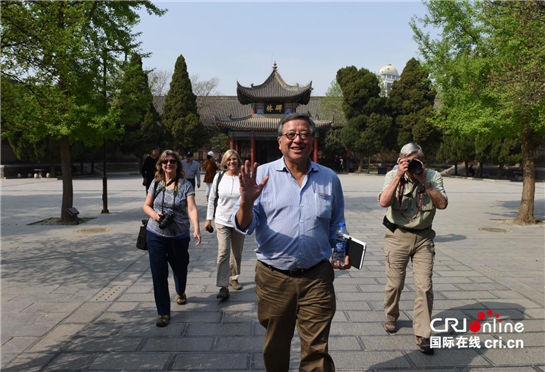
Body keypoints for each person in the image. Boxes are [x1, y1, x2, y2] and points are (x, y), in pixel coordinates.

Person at [233, 113, 349, 372]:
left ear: (312, 140)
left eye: (304, 134)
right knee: (276, 345)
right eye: (291, 135)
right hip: (274, 278)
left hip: (317, 276)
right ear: (279, 141)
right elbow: (243, 225)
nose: (298, 140)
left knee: (317, 349)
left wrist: (341, 251)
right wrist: (246, 202)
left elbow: (337, 223)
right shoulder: (262, 175)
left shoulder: (329, 178)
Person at [378, 142, 448, 353]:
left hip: (424, 238)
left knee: (424, 286)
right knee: (395, 284)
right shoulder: (393, 175)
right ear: (400, 161)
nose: (412, 165)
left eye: (416, 160)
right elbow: (383, 202)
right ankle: (391, 316)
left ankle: (423, 334)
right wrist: (399, 175)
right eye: (408, 161)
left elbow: (442, 204)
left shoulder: (433, 177)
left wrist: (424, 181)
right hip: (397, 236)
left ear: (422, 160)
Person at [143, 150, 201, 328]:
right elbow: (146, 205)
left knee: (180, 268)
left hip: (178, 235)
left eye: (172, 161)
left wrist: (196, 228)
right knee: (158, 273)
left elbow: (191, 208)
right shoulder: (156, 183)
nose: (169, 164)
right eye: (165, 162)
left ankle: (180, 291)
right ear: (161, 165)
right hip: (156, 233)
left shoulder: (185, 186)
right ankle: (163, 313)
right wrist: (155, 215)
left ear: (177, 164)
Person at [205, 149, 245, 300]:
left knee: (237, 252)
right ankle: (223, 285)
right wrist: (209, 219)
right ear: (225, 162)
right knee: (223, 252)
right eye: (229, 159)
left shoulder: (243, 177)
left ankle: (233, 278)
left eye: (234, 159)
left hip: (239, 221)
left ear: (238, 161)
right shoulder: (219, 177)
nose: (232, 162)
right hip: (221, 220)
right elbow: (212, 199)